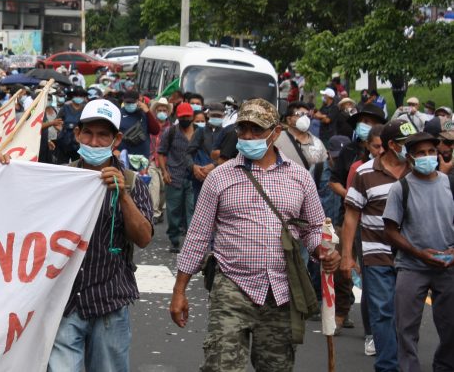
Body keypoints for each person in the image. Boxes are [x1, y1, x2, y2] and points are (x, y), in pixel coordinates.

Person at [170, 99, 340, 371]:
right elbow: (197, 237)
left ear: (276, 132)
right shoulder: (220, 177)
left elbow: (313, 228)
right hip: (232, 287)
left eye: (257, 130)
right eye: (243, 129)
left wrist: (323, 250)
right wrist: (179, 291)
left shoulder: (300, 177)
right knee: (221, 366)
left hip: (281, 291)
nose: (248, 136)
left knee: (277, 366)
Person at [47, 98, 153, 372]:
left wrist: (123, 196)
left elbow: (143, 238)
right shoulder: (60, 179)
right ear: (77, 134)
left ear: (116, 139)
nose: (94, 142)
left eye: (103, 135)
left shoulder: (132, 183)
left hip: (109, 303)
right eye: (89, 134)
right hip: (64, 303)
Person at [341, 119, 414, 371]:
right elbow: (352, 215)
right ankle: (387, 366)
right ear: (392, 145)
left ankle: (406, 361)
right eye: (406, 143)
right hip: (376, 253)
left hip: (412, 255)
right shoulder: (365, 173)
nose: (410, 147)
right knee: (382, 311)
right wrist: (347, 255)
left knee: (407, 315)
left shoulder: (417, 171)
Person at [381, 131, 454, 370]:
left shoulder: (449, 183)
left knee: (450, 328)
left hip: (447, 267)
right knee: (406, 330)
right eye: (421, 153)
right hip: (412, 267)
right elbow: (390, 231)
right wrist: (418, 253)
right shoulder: (400, 188)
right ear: (410, 157)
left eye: (431, 151)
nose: (427, 156)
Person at [157, 102, 196, 253]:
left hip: (194, 178)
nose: (185, 119)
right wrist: (164, 172)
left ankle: (191, 243)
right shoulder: (171, 132)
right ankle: (174, 240)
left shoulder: (199, 132)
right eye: (182, 117)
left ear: (192, 116)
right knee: (173, 212)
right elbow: (161, 153)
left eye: (188, 117)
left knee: (192, 211)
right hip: (174, 177)